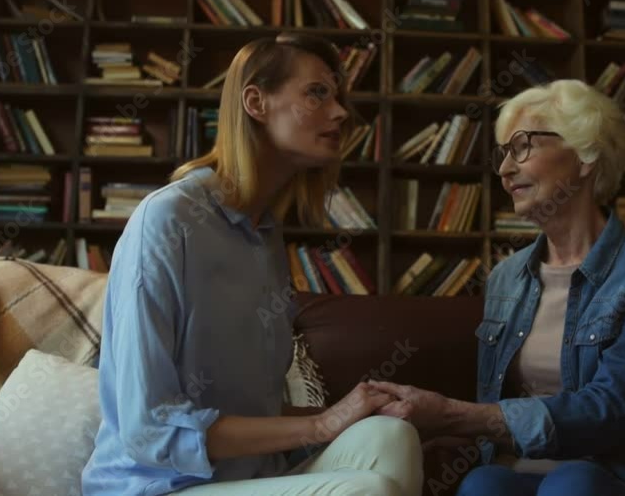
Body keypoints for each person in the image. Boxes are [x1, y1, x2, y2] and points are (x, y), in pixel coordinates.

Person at [81, 33, 423, 496]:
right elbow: (149, 430)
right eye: (317, 93)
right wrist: (322, 425)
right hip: (159, 488)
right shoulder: (168, 220)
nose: (341, 112)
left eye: (338, 97)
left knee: (392, 437)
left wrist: (352, 412)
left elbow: (257, 413)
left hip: (249, 480)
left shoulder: (265, 238)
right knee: (367, 492)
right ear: (257, 103)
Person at [371, 79, 625, 496]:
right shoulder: (506, 276)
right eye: (503, 152)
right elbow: (499, 407)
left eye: (523, 146)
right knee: (482, 484)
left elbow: (611, 410)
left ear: (586, 156)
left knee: (573, 485)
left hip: (608, 477)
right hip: (515, 471)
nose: (504, 169)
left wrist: (455, 415)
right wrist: (436, 425)